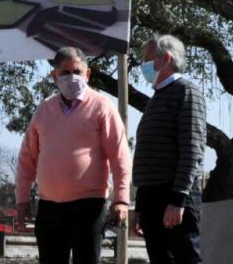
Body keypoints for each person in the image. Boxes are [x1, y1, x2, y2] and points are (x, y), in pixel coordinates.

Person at [15, 46, 131, 264]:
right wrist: (21, 198)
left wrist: (122, 199)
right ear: (54, 76)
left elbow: (120, 155)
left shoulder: (102, 106)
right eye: (65, 72)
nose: (72, 77)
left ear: (87, 74)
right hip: (49, 208)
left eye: (77, 72)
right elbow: (27, 158)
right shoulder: (44, 109)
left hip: (89, 207)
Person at [133, 35, 207, 264]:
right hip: (152, 197)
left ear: (165, 59)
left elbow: (192, 149)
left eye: (147, 59)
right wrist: (141, 207)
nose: (143, 66)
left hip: (173, 197)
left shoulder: (186, 92)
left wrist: (178, 200)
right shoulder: (157, 97)